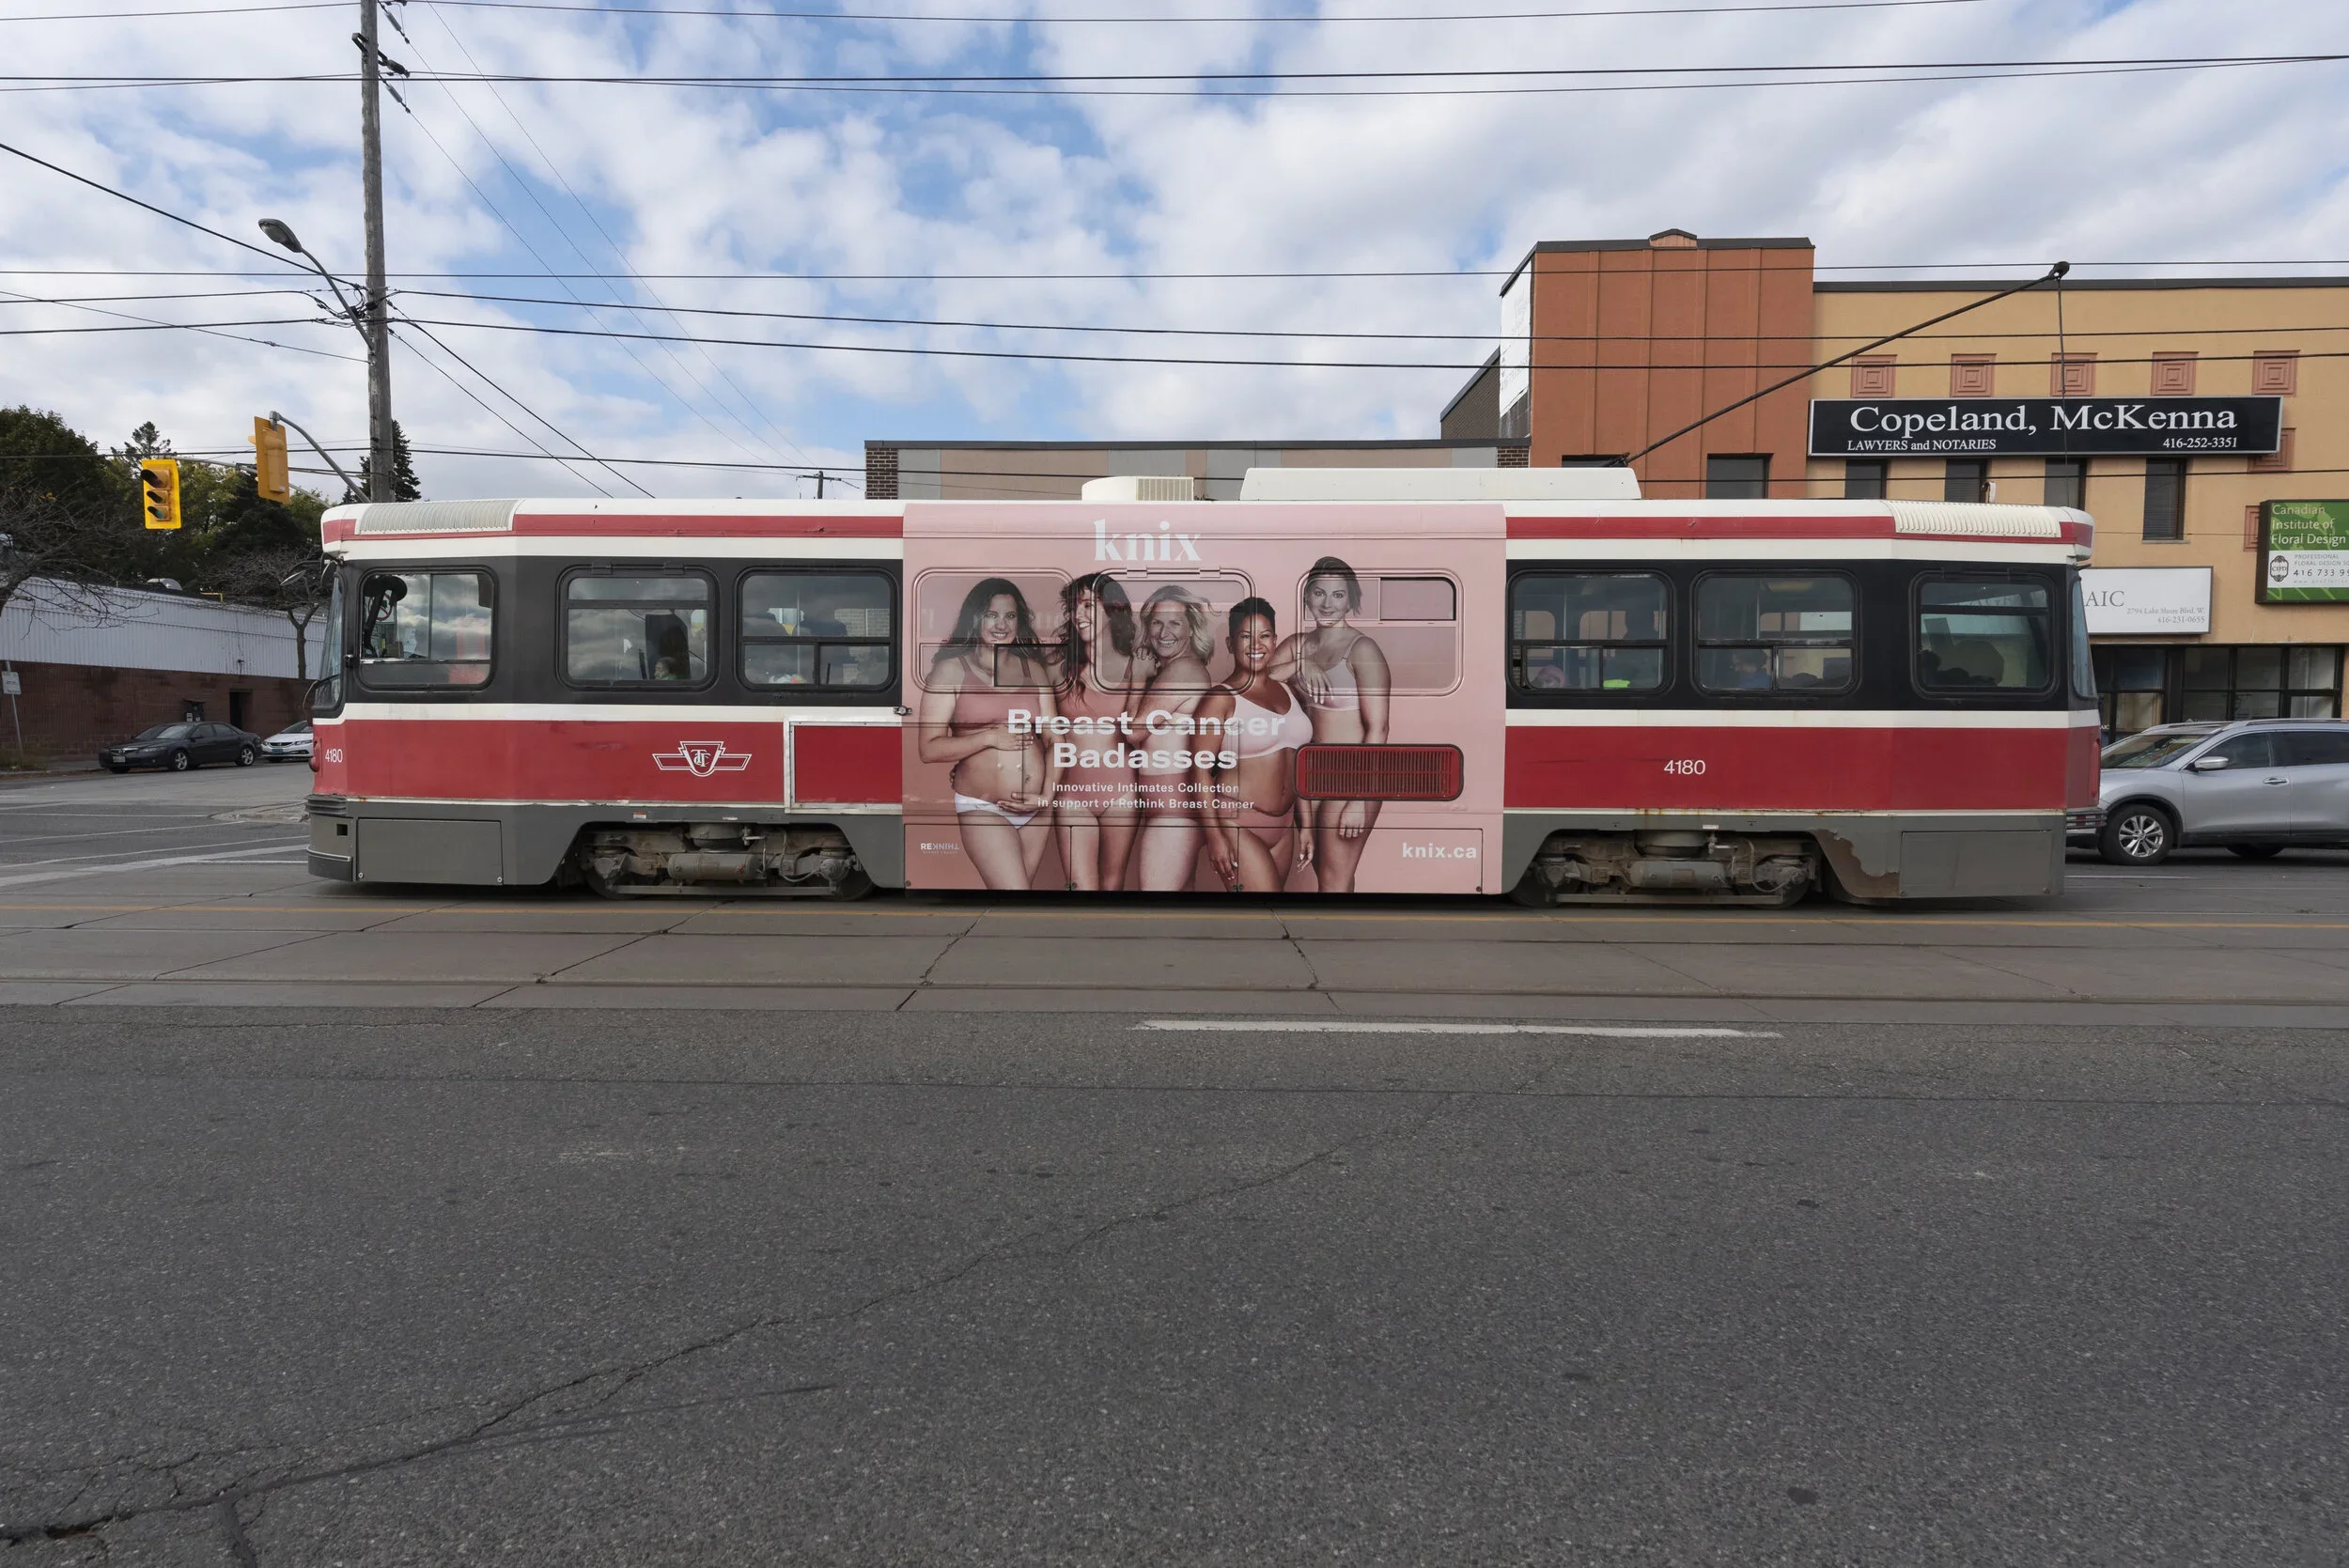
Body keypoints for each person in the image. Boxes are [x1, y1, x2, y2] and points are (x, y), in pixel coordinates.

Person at [916, 578, 1059, 891]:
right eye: (991, 615)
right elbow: (929, 749)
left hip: (1036, 808)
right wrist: (989, 737)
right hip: (983, 806)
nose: (1001, 624)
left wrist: (1046, 795)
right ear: (975, 618)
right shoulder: (951, 670)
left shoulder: (1033, 670)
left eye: (1009, 616)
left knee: (1017, 904)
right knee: (1015, 893)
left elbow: (1054, 739)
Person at [1271, 557, 1392, 894]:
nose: (1327, 603)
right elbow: (1253, 685)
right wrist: (1301, 662)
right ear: (1307, 596)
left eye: (1338, 595)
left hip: (1352, 776)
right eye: (1319, 593)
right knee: (1330, 878)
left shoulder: (1363, 650)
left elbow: (1378, 729)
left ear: (1351, 600)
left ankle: (1333, 945)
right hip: (1309, 774)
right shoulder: (1299, 644)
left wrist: (1359, 798)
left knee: (1334, 881)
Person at [1193, 598, 1313, 893]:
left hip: (1285, 827)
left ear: (1274, 639)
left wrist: (1306, 825)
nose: (1256, 644)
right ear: (1230, 643)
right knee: (1262, 912)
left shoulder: (1289, 690)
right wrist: (1215, 837)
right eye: (1245, 636)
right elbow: (1199, 775)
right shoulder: (1220, 699)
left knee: (1270, 919)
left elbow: (1300, 764)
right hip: (1238, 824)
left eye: (1264, 635)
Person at [1051, 573, 1146, 892]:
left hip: (1121, 792)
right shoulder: (1058, 666)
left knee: (1112, 885)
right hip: (1070, 792)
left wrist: (1142, 679)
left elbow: (1137, 731)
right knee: (1078, 887)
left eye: (1088, 606)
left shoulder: (1136, 666)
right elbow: (1034, 724)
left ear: (1112, 611)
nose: (1078, 615)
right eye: (1074, 607)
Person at [1131, 584, 1217, 892]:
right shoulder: (1180, 669)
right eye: (1156, 622)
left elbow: (1133, 731)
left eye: (1175, 623)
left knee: (1155, 912)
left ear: (1191, 630)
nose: (1164, 632)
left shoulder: (1183, 670)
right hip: (1173, 815)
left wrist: (1138, 676)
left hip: (1174, 816)